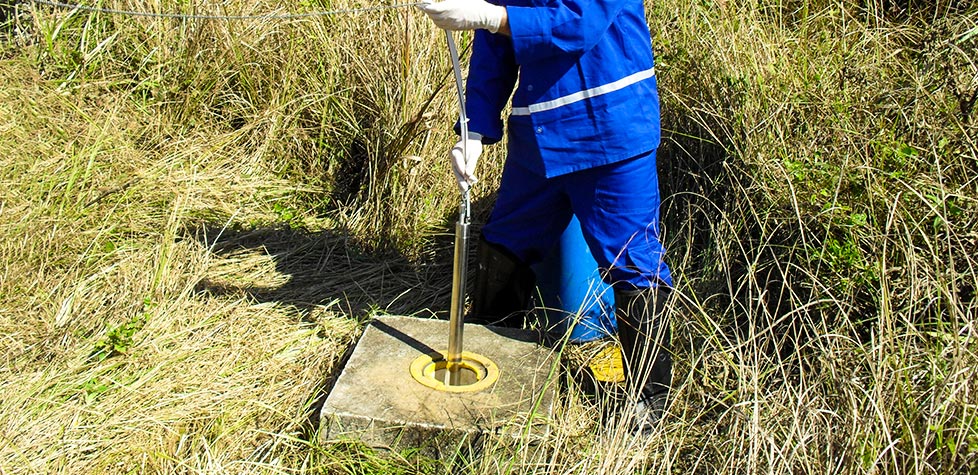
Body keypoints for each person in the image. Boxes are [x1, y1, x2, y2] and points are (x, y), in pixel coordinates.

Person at [418, 0, 673, 432]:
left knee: (632, 263)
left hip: (610, 132)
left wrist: (488, 16)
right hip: (538, 138)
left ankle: (648, 401)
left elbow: (581, 22)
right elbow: (493, 51)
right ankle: (494, 361)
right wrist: (474, 130)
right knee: (505, 243)